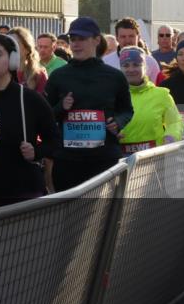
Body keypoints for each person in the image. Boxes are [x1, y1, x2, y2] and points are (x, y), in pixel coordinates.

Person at [45, 17, 134, 191]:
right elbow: (46, 116)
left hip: (104, 158)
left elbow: (126, 110)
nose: (76, 44)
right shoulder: (58, 75)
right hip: (68, 160)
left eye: (82, 39)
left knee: (104, 213)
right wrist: (61, 107)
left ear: (96, 40)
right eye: (73, 39)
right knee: (70, 214)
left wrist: (118, 122)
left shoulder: (115, 76)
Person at [0, 34, 60, 209]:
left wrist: (36, 152)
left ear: (12, 60)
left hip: (23, 193)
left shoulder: (30, 99)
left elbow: (55, 141)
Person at [118, 46, 183, 154]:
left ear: (145, 67)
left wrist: (170, 138)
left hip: (154, 159)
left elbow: (175, 121)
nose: (131, 69)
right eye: (126, 65)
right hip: (121, 161)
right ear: (120, 69)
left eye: (136, 65)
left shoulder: (161, 95)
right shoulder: (114, 95)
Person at [8, 26, 48, 95]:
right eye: (7, 43)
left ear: (27, 49)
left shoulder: (38, 75)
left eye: (15, 44)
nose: (10, 47)